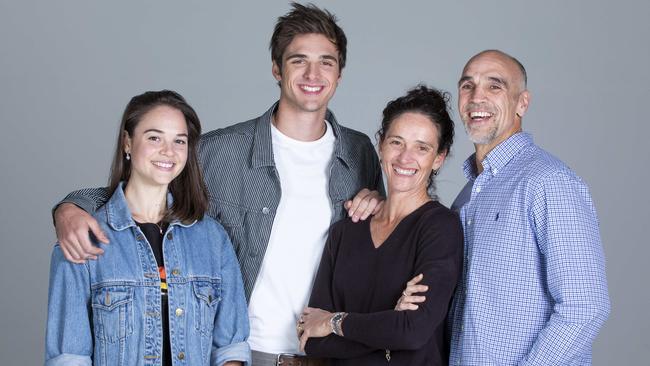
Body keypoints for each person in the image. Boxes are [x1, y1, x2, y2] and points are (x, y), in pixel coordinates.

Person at [51, 3, 383, 365]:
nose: (312, 73)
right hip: (249, 351)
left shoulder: (359, 151)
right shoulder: (220, 151)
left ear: (340, 73)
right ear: (276, 68)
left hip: (332, 352)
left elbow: (382, 237)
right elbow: (149, 189)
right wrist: (72, 206)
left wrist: (381, 204)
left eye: (326, 62)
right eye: (298, 60)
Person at [45, 90, 250, 366]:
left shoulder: (213, 238)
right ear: (127, 142)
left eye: (179, 141)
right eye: (154, 137)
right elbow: (68, 357)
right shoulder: (83, 237)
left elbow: (231, 349)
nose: (168, 151)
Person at [440, 50, 610, 365]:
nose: (477, 97)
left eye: (495, 86)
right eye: (468, 86)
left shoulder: (549, 182)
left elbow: (586, 307)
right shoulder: (466, 196)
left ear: (522, 103)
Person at [297, 85, 464, 365]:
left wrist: (335, 322)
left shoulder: (440, 229)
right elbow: (312, 339)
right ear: (381, 145)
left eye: (421, 148)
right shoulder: (346, 231)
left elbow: (412, 333)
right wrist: (387, 333)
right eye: (396, 142)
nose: (405, 158)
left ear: (438, 158)